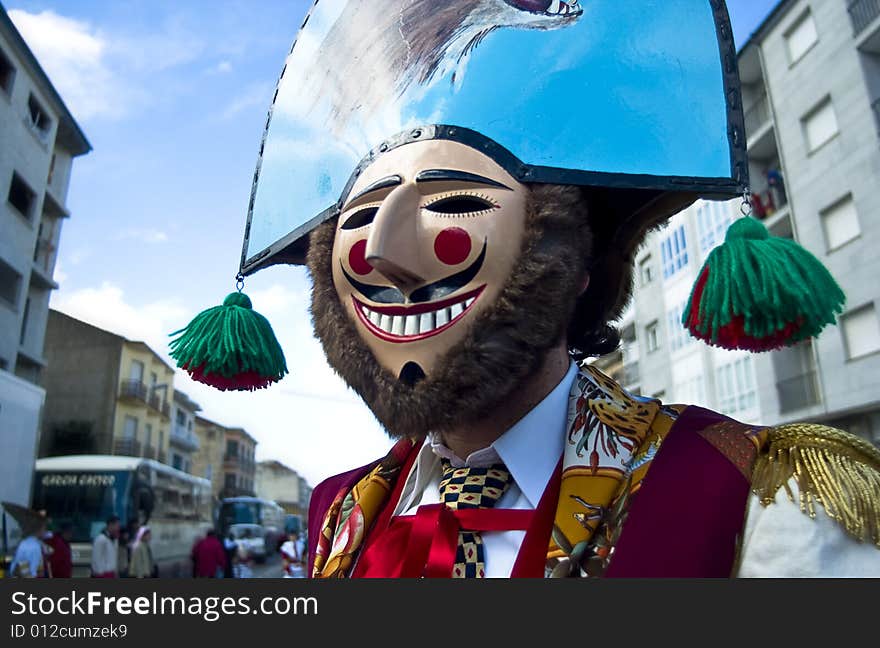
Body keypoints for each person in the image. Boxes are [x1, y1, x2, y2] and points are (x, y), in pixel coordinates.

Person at [177, 1, 880, 577]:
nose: (386, 254)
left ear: (568, 263)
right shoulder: (338, 509)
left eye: (453, 204)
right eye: (358, 219)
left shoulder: (759, 497)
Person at [6, 505, 47, 578]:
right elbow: (29, 571)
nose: (45, 531)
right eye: (44, 528)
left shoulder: (25, 543)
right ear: (39, 528)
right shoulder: (34, 546)